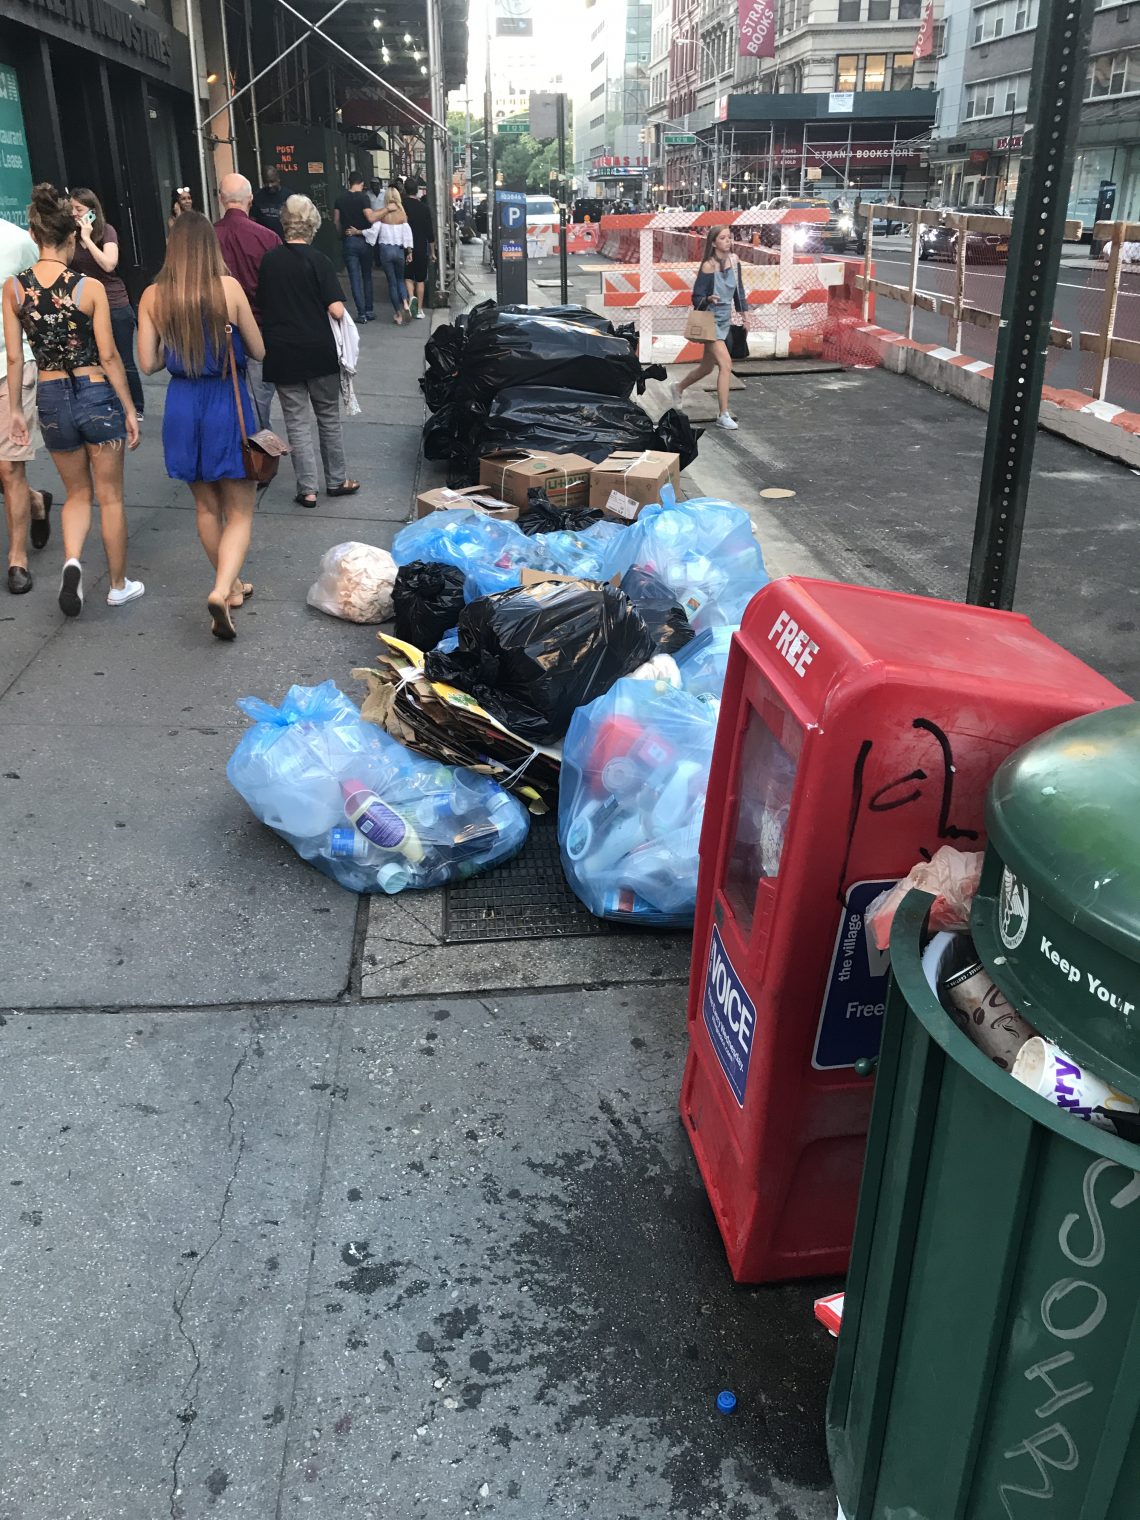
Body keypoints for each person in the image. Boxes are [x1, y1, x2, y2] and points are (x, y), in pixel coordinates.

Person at [3, 183, 142, 616]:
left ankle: (71, 561)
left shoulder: (14, 289)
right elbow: (109, 354)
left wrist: (13, 412)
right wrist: (129, 407)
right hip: (95, 392)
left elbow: (12, 356)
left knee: (76, 493)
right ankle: (118, 584)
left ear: (33, 235)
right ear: (70, 237)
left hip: (48, 395)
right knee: (111, 496)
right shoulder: (89, 288)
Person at [137, 212, 263, 641]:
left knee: (206, 507)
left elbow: (148, 363)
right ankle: (221, 588)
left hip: (182, 404)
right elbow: (259, 350)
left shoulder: (153, 296)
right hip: (226, 401)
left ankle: (230, 586)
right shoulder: (228, 290)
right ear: (210, 247)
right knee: (241, 511)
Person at [257, 194, 359, 508]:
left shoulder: (270, 261)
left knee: (296, 422)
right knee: (328, 418)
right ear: (312, 224)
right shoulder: (319, 261)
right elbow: (337, 310)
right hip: (319, 351)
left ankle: (307, 489)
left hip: (283, 353)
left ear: (284, 224)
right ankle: (337, 479)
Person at [0, 215, 52, 593]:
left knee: (8, 468)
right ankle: (35, 502)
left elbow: (44, 295)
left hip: (10, 366)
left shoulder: (16, 241)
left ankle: (17, 560)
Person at [69, 187, 146, 422]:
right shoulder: (70, 235)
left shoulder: (106, 231)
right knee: (97, 356)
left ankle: (136, 405)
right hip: (88, 304)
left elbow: (109, 264)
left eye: (78, 209)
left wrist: (87, 239)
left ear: (92, 211)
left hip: (114, 301)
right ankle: (109, 402)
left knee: (122, 356)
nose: (73, 213)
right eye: (71, 208)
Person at [213, 171, 281, 428]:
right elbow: (276, 289)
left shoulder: (208, 237)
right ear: (250, 199)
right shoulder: (267, 237)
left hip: (217, 329)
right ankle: (258, 457)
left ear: (221, 199)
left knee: (223, 398)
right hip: (259, 329)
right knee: (257, 402)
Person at [670, 224, 744, 431]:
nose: (728, 241)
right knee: (726, 364)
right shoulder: (708, 266)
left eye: (729, 237)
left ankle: (678, 387)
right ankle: (723, 414)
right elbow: (696, 297)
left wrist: (744, 313)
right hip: (710, 322)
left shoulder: (735, 261)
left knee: (707, 367)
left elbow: (740, 290)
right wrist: (708, 299)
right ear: (713, 243)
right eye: (722, 238)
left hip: (725, 320)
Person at [333, 171, 375, 323]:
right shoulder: (364, 198)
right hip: (364, 239)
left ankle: (361, 313)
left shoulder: (340, 199)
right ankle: (369, 310)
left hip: (349, 240)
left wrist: (341, 235)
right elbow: (370, 217)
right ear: (362, 183)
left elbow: (336, 221)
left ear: (349, 182)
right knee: (367, 276)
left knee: (355, 278)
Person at [372, 186, 413, 325]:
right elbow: (407, 235)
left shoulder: (382, 214)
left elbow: (373, 231)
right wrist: (409, 252)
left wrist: (359, 232)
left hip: (385, 250)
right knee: (401, 280)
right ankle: (406, 303)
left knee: (392, 282)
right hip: (399, 250)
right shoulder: (402, 214)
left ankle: (398, 313)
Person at [402, 177, 436, 321]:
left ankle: (411, 299)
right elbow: (430, 233)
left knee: (408, 277)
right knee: (421, 279)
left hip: (406, 246)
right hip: (421, 246)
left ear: (404, 189)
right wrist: (433, 252)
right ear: (417, 191)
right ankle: (419, 310)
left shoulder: (401, 206)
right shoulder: (424, 208)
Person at [251, 166, 287, 239]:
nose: (270, 185)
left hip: (284, 241)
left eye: (272, 181)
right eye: (266, 182)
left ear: (278, 179)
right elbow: (252, 220)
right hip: (264, 240)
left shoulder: (288, 196)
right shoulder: (257, 196)